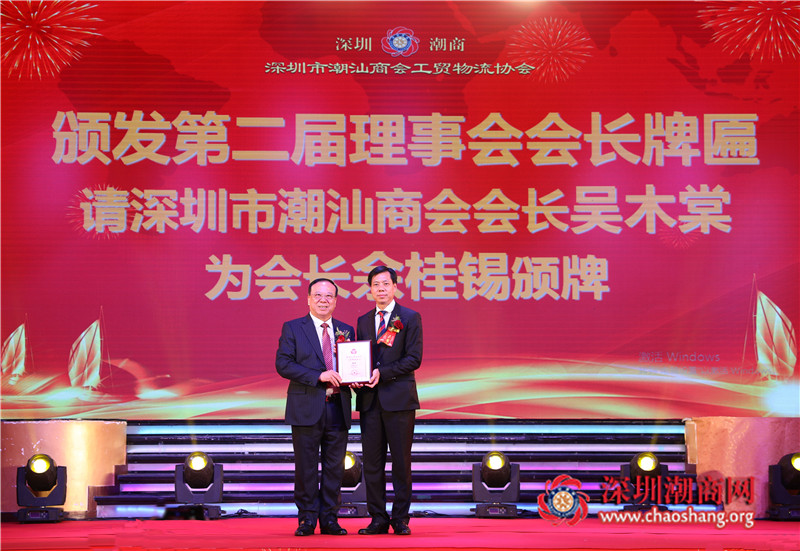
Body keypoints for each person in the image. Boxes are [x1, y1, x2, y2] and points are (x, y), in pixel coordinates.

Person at [276, 278, 354, 536]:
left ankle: (330, 519)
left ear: (336, 301)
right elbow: (284, 364)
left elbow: (353, 365)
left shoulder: (346, 330)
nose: (323, 300)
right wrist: (318, 376)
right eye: (318, 295)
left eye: (329, 296)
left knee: (335, 468)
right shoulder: (293, 328)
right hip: (306, 407)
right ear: (308, 299)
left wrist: (358, 377)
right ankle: (307, 519)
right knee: (306, 467)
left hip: (338, 406)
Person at [353, 266, 423, 536]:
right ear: (370, 289)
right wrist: (355, 377)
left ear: (395, 286)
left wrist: (382, 373)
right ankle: (378, 518)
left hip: (399, 400)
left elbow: (413, 358)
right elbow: (360, 357)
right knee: (372, 463)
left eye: (385, 283)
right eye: (375, 284)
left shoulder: (410, 317)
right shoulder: (362, 320)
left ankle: (401, 518)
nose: (380, 289)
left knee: (401, 463)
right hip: (370, 401)